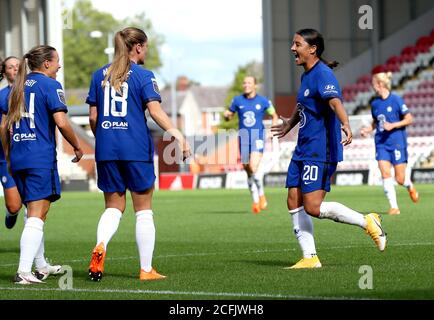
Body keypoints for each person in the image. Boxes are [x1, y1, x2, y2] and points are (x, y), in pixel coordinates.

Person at [271, 28, 386, 269]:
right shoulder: (306, 76)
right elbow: (303, 105)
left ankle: (367, 221)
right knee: (293, 199)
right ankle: (309, 258)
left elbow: (335, 102)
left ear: (312, 49)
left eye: (297, 44)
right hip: (303, 148)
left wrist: (346, 124)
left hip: (319, 151)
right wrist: (289, 124)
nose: (292, 48)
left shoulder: (323, 75)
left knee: (312, 207)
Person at [86, 27, 191, 282]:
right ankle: (146, 269)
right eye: (146, 46)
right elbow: (154, 111)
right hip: (134, 147)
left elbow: (93, 117)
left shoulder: (98, 74)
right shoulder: (143, 75)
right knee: (143, 210)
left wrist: (104, 138)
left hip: (106, 149)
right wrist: (177, 134)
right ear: (138, 47)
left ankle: (100, 246)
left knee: (113, 207)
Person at [1, 45, 83, 284]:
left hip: (18, 157)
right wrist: (77, 146)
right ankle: (24, 272)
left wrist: (7, 157)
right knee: (38, 214)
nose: (59, 66)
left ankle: (40, 266)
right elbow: (62, 122)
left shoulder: (16, 87)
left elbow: (3, 127)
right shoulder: (50, 85)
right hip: (39, 157)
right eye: (57, 61)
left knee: (32, 214)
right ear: (46, 63)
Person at [360, 72, 419, 215]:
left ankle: (409, 185)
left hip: (397, 143)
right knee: (385, 173)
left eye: (374, 84)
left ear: (380, 84)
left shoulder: (396, 100)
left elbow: (409, 119)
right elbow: (376, 122)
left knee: (400, 179)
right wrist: (369, 129)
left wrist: (393, 125)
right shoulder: (374, 103)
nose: (373, 87)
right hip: (381, 143)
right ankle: (394, 207)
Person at [224, 76, 278, 214]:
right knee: (248, 170)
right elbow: (230, 114)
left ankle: (259, 196)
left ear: (255, 85)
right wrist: (227, 115)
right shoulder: (237, 100)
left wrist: (272, 131)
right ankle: (256, 199)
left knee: (253, 166)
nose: (246, 85)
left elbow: (274, 115)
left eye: (249, 83)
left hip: (258, 137)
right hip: (243, 139)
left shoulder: (263, 101)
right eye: (244, 83)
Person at [0, 56, 23, 229]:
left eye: (17, 66)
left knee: (34, 205)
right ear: (4, 71)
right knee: (14, 205)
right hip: (4, 156)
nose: (14, 69)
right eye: (10, 67)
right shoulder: (1, 97)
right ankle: (12, 212)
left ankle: (38, 255)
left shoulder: (30, 93)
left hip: (27, 152)